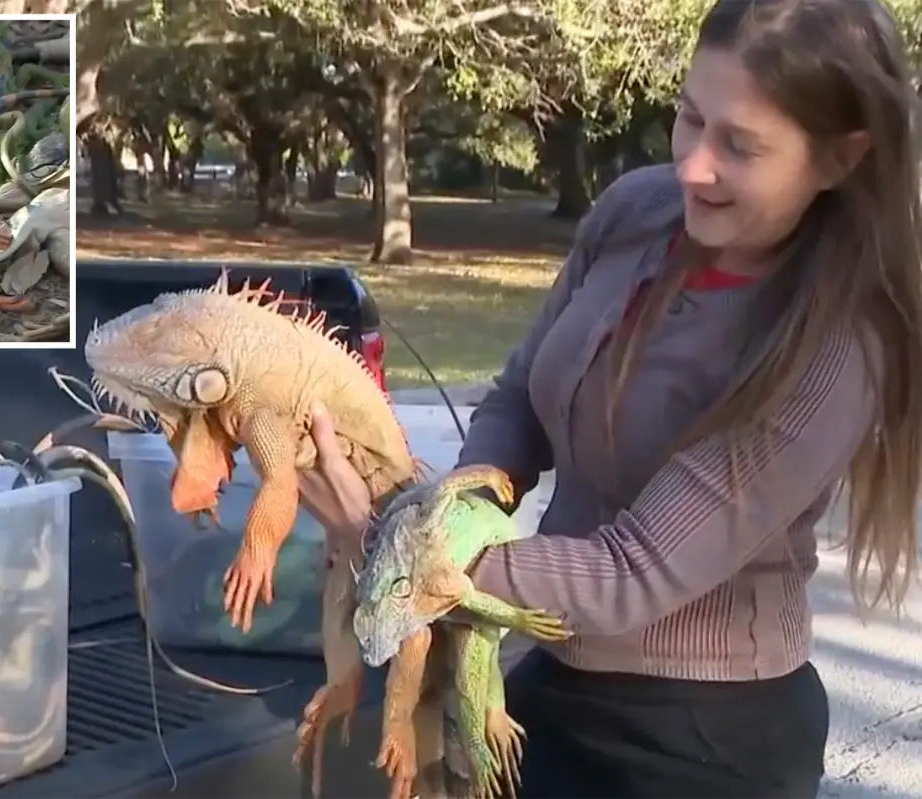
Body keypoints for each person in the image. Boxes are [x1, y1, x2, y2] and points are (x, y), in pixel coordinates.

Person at [297, 0, 922, 796]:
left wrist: (393, 549)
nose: (693, 164)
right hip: (553, 673)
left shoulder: (841, 346)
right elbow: (523, 391)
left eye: (741, 145)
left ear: (840, 158)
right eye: (691, 118)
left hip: (701, 738)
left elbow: (632, 571)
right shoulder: (637, 211)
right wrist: (455, 506)